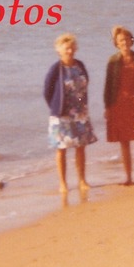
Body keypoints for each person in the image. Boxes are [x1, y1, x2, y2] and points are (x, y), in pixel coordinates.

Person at [42, 32, 97, 194]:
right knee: (61, 149)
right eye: (66, 48)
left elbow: (85, 82)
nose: (70, 51)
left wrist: (81, 105)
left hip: (80, 113)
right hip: (61, 115)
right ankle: (63, 183)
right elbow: (47, 91)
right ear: (59, 50)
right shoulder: (55, 69)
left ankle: (82, 181)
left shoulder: (79, 65)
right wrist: (56, 107)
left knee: (81, 147)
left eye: (72, 47)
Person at [103, 25, 134, 185]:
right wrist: (107, 107)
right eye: (120, 40)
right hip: (119, 104)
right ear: (116, 43)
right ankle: (128, 177)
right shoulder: (112, 60)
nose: (124, 42)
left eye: (126, 39)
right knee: (124, 140)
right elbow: (108, 85)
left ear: (131, 40)